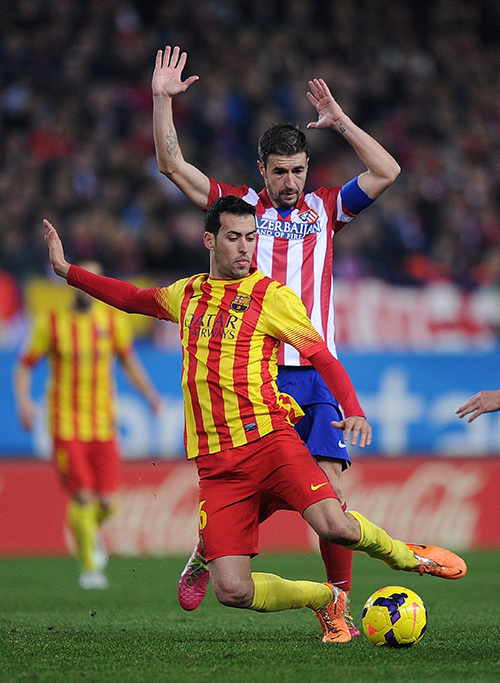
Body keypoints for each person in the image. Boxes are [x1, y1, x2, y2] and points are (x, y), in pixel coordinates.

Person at [43, 197, 466, 644]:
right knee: (232, 591)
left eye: (251, 237)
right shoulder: (186, 294)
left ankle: (408, 557)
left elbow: (322, 357)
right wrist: (67, 270)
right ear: (210, 240)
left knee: (336, 526)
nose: (245, 247)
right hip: (217, 465)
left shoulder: (272, 297)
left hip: (270, 441)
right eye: (234, 237)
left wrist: (354, 409)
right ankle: (325, 599)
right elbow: (131, 299)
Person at [151, 46, 401, 631]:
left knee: (330, 495)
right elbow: (172, 165)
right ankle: (214, 544)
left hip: (315, 373)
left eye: (299, 170)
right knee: (260, 488)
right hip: (255, 376)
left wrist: (342, 122)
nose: (291, 182)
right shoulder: (238, 211)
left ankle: (337, 607)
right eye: (280, 171)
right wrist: (162, 101)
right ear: (262, 169)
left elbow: (387, 171)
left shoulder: (326, 208)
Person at [14, 261, 162, 589]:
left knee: (108, 502)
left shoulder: (112, 322)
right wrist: (24, 401)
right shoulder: (51, 323)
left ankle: (86, 531)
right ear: (73, 284)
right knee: (82, 496)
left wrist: (151, 395)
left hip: (103, 424)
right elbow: (24, 366)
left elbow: (129, 363)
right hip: (65, 424)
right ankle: (90, 566)